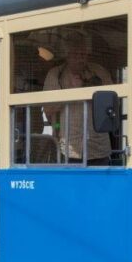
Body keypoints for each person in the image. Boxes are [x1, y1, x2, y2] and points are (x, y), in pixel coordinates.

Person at [42, 33, 112, 165]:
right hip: (69, 147)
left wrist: (94, 92)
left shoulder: (99, 72)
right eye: (75, 54)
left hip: (98, 146)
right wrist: (72, 93)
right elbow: (48, 108)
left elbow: (112, 101)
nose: (80, 59)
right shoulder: (56, 74)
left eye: (83, 54)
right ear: (67, 55)